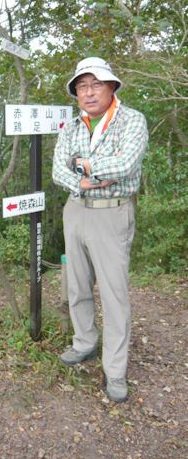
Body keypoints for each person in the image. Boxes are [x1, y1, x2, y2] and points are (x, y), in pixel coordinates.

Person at [52, 57, 148, 402]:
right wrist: (88, 179)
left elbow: (125, 165)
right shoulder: (72, 127)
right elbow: (58, 171)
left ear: (111, 87)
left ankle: (116, 370)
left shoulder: (132, 120)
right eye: (82, 86)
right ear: (76, 93)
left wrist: (82, 166)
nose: (89, 92)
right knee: (77, 285)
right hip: (76, 210)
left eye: (96, 85)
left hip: (113, 214)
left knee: (114, 293)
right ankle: (84, 343)